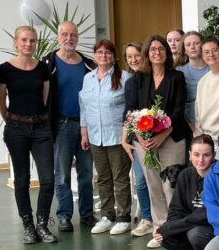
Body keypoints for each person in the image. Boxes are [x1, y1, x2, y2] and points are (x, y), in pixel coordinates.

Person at [126, 34, 190, 246]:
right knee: (154, 186)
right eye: (153, 49)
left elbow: (179, 109)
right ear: (147, 53)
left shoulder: (177, 78)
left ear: (167, 52)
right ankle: (160, 230)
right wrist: (140, 137)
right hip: (144, 141)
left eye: (161, 49)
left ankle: (176, 229)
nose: (157, 52)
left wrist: (163, 134)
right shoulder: (138, 79)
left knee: (171, 186)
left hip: (172, 138)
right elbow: (131, 110)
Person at [0, 25, 57, 245]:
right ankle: (28, 226)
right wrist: (13, 122)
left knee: (48, 180)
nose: (28, 44)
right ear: (15, 42)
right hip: (16, 129)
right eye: (24, 40)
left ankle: (41, 225)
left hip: (41, 127)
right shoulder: (4, 69)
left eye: (32, 40)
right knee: (22, 180)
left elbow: (44, 98)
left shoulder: (42, 68)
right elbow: (1, 102)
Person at [43, 20, 97, 232]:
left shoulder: (88, 64)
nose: (69, 38)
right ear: (58, 37)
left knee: (86, 173)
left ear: (77, 37)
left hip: (86, 127)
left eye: (73, 35)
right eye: (64, 34)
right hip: (61, 126)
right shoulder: (48, 64)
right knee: (62, 174)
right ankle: (64, 215)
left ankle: (87, 214)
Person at [79, 39, 132, 236]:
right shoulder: (89, 78)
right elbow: (84, 106)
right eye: (100, 52)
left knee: (120, 178)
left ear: (114, 56)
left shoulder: (124, 77)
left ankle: (123, 217)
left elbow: (130, 108)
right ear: (95, 55)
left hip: (117, 136)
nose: (103, 56)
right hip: (95, 136)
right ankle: (107, 216)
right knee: (103, 178)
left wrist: (128, 135)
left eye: (108, 52)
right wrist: (84, 132)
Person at [153, 134, 216, 250]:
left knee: (195, 234)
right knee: (163, 234)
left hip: (211, 226)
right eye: (196, 154)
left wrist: (173, 227)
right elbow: (176, 209)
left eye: (206, 155)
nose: (200, 160)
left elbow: (206, 214)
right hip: (191, 224)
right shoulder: (185, 174)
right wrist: (169, 227)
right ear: (189, 155)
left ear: (213, 155)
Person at [122, 42, 153, 237]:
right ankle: (147, 218)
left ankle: (163, 219)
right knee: (141, 181)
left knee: (158, 181)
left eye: (137, 55)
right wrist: (125, 138)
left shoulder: (154, 78)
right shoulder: (130, 83)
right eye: (129, 56)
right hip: (137, 138)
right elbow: (129, 111)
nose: (133, 59)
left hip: (157, 136)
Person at [178, 31, 209, 129]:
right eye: (188, 44)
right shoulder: (178, 71)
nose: (192, 47)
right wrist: (188, 126)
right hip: (187, 124)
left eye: (196, 43)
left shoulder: (213, 68)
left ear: (203, 46)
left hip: (212, 123)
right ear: (184, 50)